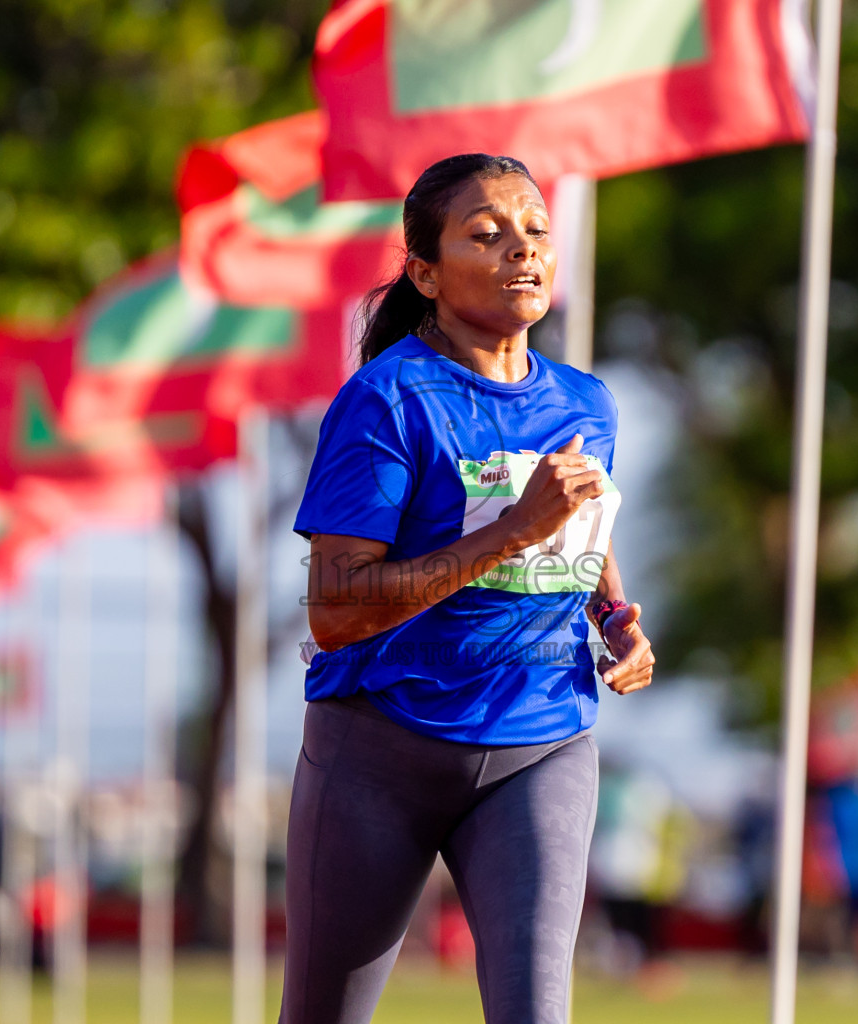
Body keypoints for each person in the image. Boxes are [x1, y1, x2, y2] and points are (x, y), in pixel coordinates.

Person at [282, 153, 655, 1024]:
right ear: (425, 271)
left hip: (541, 741)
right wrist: (508, 533)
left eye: (534, 231)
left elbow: (580, 533)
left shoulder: (587, 401)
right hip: (380, 752)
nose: (522, 251)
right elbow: (336, 612)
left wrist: (615, 615)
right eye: (487, 235)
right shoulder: (387, 401)